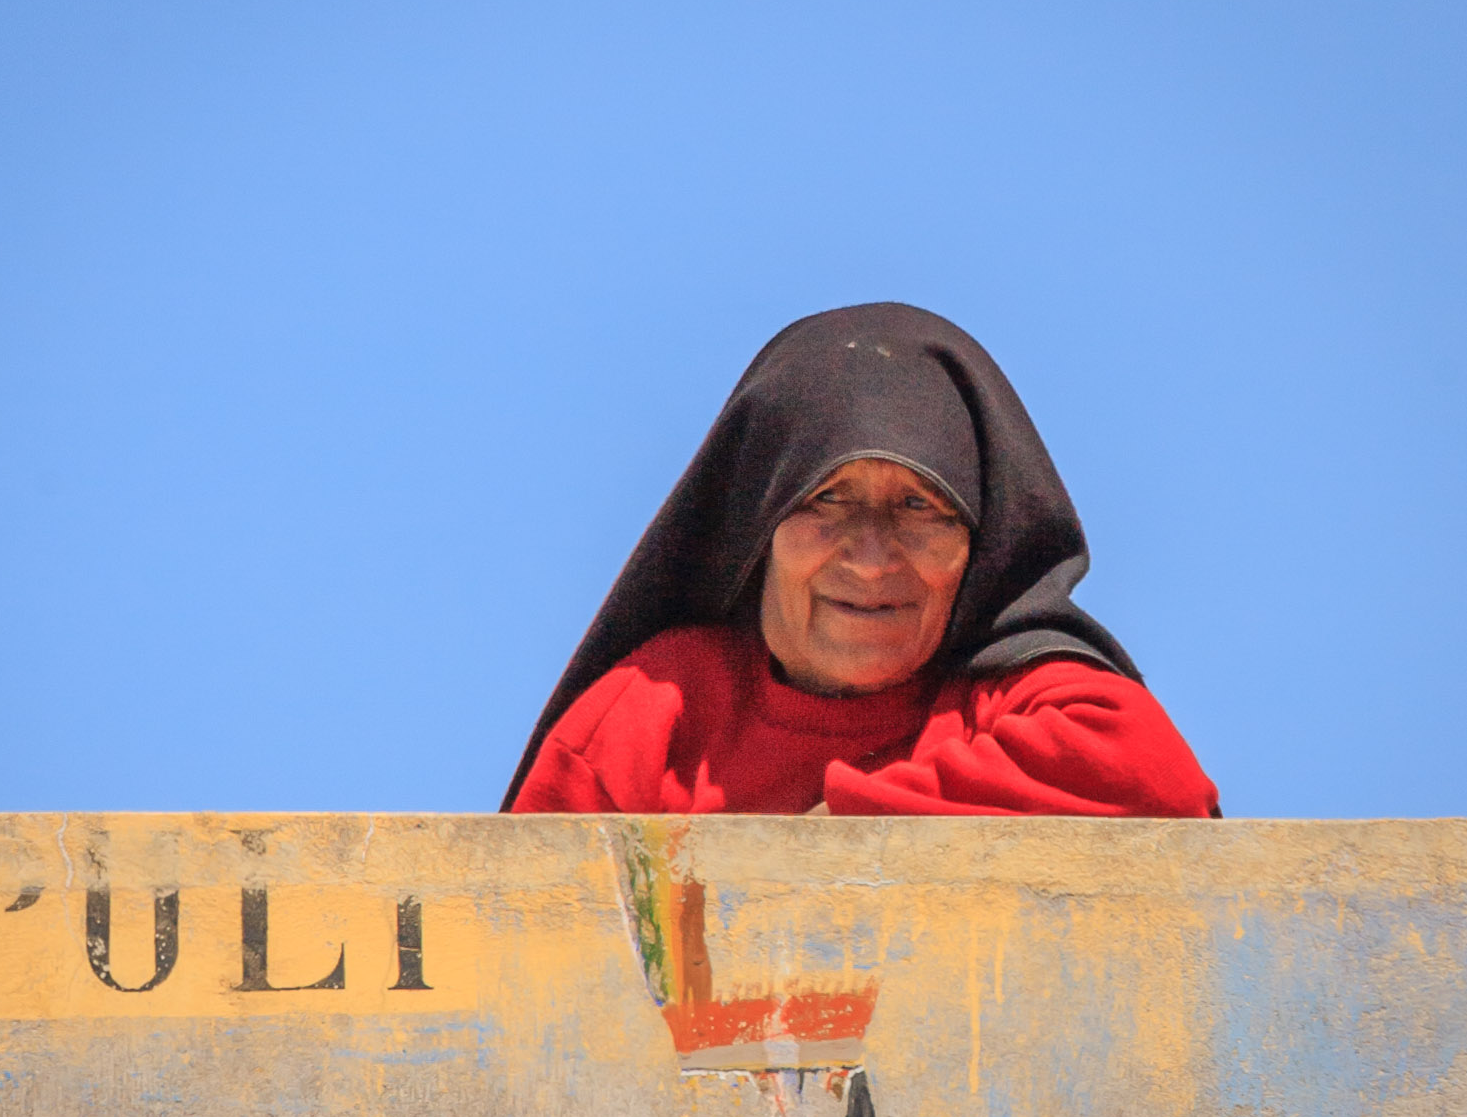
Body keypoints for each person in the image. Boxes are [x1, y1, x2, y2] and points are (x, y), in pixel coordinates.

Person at [503, 303, 1218, 818]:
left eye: (919, 508)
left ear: (977, 545)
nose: (872, 560)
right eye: (826, 501)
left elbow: (1154, 775)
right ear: (760, 528)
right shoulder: (661, 709)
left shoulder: (1010, 699)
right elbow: (512, 931)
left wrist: (843, 829)